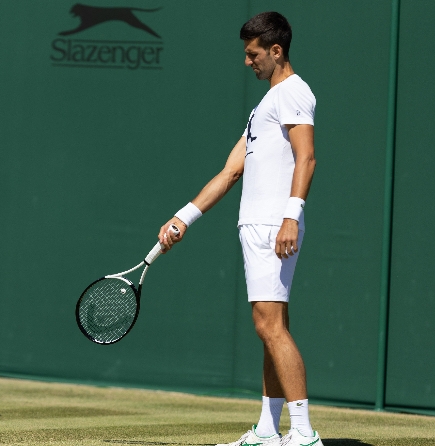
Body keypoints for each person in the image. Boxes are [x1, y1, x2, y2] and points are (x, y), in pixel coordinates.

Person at [157, 12, 322, 446]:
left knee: (270, 327)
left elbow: (307, 158)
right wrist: (183, 218)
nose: (247, 62)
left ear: (276, 50)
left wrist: (290, 215)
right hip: (259, 224)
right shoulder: (264, 106)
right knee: (272, 326)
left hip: (273, 224)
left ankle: (303, 433)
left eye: (252, 55)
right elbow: (231, 172)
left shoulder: (292, 92)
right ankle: (269, 430)